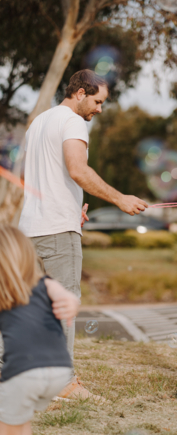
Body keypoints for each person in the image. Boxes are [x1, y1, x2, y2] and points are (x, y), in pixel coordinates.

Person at [18, 69, 148, 399]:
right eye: (98, 101)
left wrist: (71, 203)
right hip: (58, 231)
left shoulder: (37, 124)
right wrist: (120, 198)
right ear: (80, 93)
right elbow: (77, 169)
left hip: (29, 229)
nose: (99, 109)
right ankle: (63, 384)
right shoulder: (73, 121)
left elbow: (37, 177)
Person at [0, 224, 79, 435]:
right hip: (58, 371)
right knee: (20, 419)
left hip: (23, 372)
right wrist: (70, 304)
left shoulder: (3, 294)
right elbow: (68, 297)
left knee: (5, 425)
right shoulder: (45, 282)